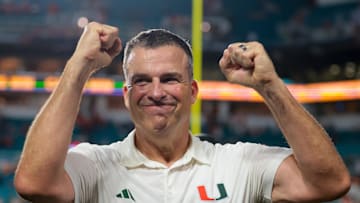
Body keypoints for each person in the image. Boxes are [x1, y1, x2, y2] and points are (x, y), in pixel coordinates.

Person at [14, 22, 350, 202]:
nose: (156, 92)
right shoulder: (97, 164)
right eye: (142, 81)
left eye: (170, 79)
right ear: (127, 96)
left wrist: (270, 86)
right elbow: (33, 183)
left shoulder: (238, 164)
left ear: (192, 93)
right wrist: (79, 66)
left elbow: (329, 183)